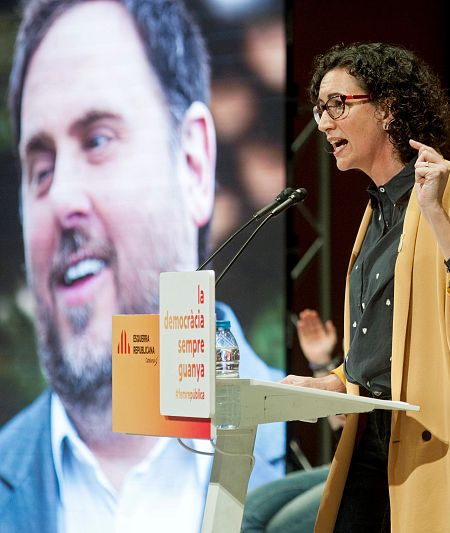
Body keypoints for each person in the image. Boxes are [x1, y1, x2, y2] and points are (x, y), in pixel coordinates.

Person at [0, 1, 285, 531]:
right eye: (39, 168)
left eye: (98, 140)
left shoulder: (320, 455)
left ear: (194, 165)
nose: (60, 197)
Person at [280, 42, 450, 532]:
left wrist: (437, 212)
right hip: (375, 429)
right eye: (319, 110)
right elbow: (386, 344)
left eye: (338, 104)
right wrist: (333, 380)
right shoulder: (375, 213)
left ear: (388, 107)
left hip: (437, 432)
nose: (325, 123)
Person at [243, 307, 450, 532]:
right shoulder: (422, 309)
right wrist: (325, 365)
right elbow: (351, 414)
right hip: (386, 448)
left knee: (282, 524)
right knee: (254, 508)